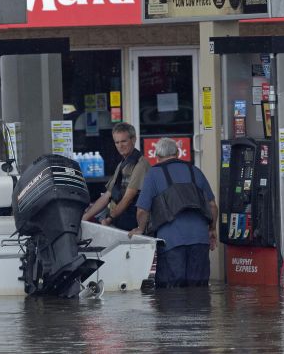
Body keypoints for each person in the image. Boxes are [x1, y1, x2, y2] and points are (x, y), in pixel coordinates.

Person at [129, 137, 218, 288]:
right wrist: (212, 229)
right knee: (199, 293)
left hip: (171, 243)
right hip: (200, 241)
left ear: (156, 155)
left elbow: (142, 210)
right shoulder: (195, 171)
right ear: (178, 153)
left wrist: (140, 229)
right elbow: (212, 206)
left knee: (172, 296)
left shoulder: (154, 174)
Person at [82, 122, 150, 231]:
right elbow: (107, 195)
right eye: (117, 142)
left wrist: (109, 219)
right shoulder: (122, 164)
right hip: (120, 222)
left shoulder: (140, 164)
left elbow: (128, 198)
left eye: (124, 141)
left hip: (133, 226)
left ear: (133, 140)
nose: (120, 146)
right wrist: (85, 218)